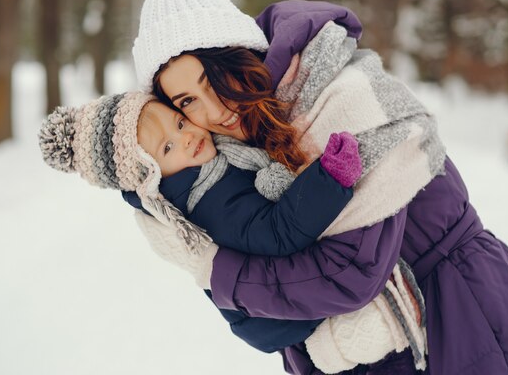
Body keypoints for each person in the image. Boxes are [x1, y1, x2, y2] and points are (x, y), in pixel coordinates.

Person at [124, 0, 508, 375]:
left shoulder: (339, 93)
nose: (215, 109)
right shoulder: (231, 152)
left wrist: (215, 272)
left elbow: (350, 272)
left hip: (462, 315)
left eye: (214, 79)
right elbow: (263, 330)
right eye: (186, 103)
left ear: (239, 53)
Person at [39, 90, 425, 373]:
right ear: (150, 177)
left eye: (179, 122)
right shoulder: (206, 202)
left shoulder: (212, 162)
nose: (187, 136)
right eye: (168, 146)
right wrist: (329, 178)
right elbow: (276, 234)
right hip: (285, 318)